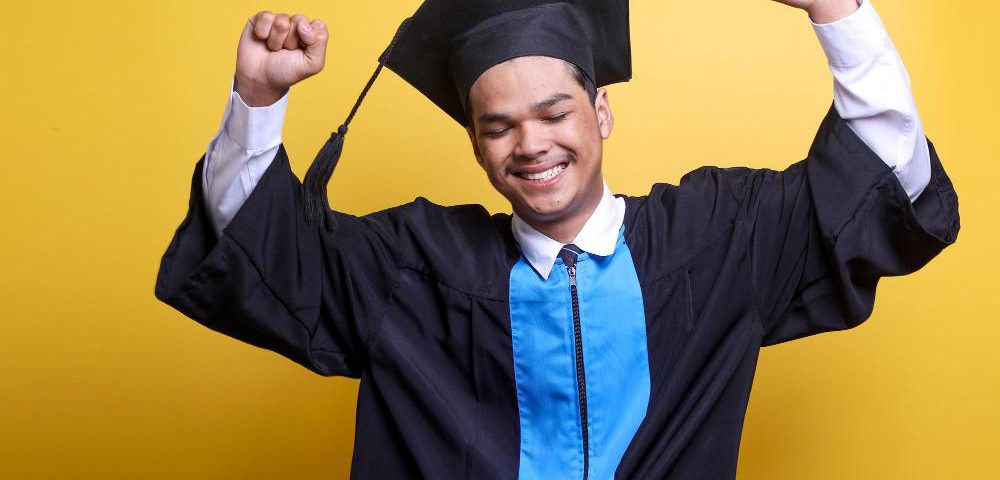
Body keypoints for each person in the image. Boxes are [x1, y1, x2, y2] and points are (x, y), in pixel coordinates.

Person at [154, 0, 960, 478]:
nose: (530, 145)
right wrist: (257, 98)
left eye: (554, 113)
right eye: (497, 127)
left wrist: (838, 11)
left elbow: (885, 179)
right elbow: (257, 251)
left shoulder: (720, 239)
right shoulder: (415, 268)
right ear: (475, 143)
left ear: (600, 110)